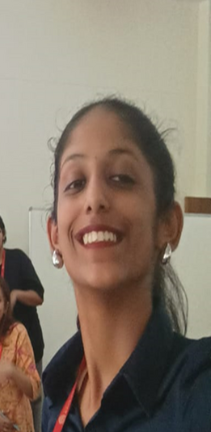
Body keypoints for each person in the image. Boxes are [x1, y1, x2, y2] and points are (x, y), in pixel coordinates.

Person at [43, 98, 211, 430]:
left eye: (121, 178)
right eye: (76, 183)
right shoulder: (56, 399)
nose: (94, 199)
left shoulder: (198, 392)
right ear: (54, 236)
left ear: (168, 223)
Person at [0, 211, 45, 430]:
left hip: (24, 346)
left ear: (4, 234)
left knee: (34, 406)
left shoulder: (18, 259)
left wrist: (16, 294)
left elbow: (39, 296)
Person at [0, 275, 40, 432]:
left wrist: (12, 371)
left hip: (18, 426)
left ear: (6, 307)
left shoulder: (17, 334)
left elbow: (34, 390)